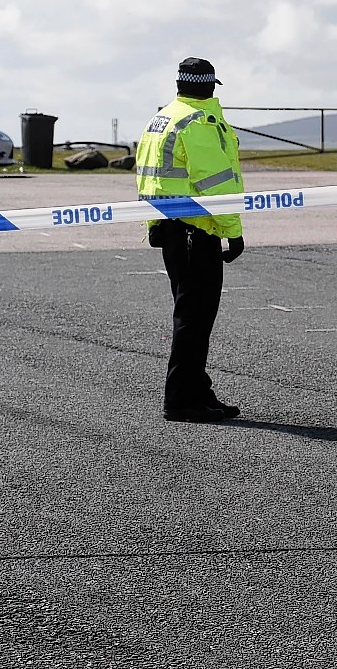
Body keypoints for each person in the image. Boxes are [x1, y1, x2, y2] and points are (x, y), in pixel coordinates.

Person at [136, 57, 246, 423]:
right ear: (212, 86)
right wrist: (233, 231)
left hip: (173, 228)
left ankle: (197, 390)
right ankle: (182, 399)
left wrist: (154, 222)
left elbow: (150, 178)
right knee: (194, 318)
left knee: (190, 314)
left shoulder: (163, 117)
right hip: (197, 230)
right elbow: (216, 183)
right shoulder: (200, 122)